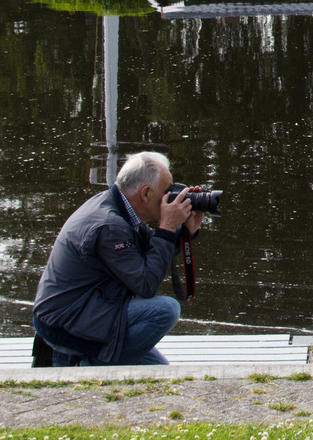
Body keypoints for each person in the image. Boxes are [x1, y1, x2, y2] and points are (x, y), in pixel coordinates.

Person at [32, 151, 207, 367]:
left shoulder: (115, 205)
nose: (171, 197)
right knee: (166, 311)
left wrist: (183, 232)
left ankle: (85, 360)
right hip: (65, 323)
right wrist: (168, 227)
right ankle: (89, 369)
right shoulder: (110, 226)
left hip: (85, 308)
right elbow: (146, 284)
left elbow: (146, 255)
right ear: (146, 194)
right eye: (167, 192)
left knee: (160, 373)